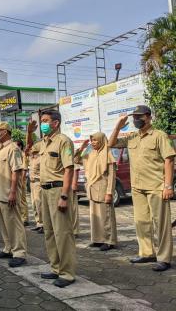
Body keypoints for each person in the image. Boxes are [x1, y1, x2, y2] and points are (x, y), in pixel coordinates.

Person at [108, 105, 175, 271]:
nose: (136, 120)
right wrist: (118, 125)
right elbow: (111, 143)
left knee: (161, 223)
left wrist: (168, 186)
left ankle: (164, 258)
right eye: (134, 117)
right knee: (141, 222)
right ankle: (146, 253)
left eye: (139, 116)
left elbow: (169, 160)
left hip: (156, 186)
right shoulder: (132, 137)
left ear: (148, 116)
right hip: (137, 187)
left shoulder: (159, 136)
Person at [27, 110, 76, 288]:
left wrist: (64, 196)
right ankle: (55, 267)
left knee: (62, 233)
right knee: (49, 232)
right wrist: (29, 132)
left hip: (57, 190)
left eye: (46, 121)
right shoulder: (45, 143)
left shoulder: (63, 141)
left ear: (56, 123)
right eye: (42, 121)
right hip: (44, 190)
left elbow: (69, 169)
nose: (43, 124)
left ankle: (67, 273)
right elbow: (29, 148)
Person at [0, 122, 27, 268]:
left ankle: (19, 253)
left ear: (4, 132)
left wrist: (12, 192)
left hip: (8, 192)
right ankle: (8, 248)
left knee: (14, 223)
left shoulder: (13, 149)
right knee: (4, 223)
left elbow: (16, 171)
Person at [75, 133, 117, 251]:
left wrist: (109, 192)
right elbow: (76, 159)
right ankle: (98, 239)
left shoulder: (108, 154)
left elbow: (112, 176)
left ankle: (109, 241)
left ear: (101, 141)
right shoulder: (90, 154)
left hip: (103, 190)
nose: (93, 142)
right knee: (95, 217)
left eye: (95, 140)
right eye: (91, 140)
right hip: (92, 189)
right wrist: (81, 148)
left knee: (106, 217)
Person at [16, 140, 30, 226]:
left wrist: (22, 181)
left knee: (22, 200)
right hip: (17, 180)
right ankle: (20, 217)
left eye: (17, 145)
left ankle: (25, 218)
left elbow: (24, 169)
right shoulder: (16, 154)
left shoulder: (23, 154)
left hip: (22, 180)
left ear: (21, 146)